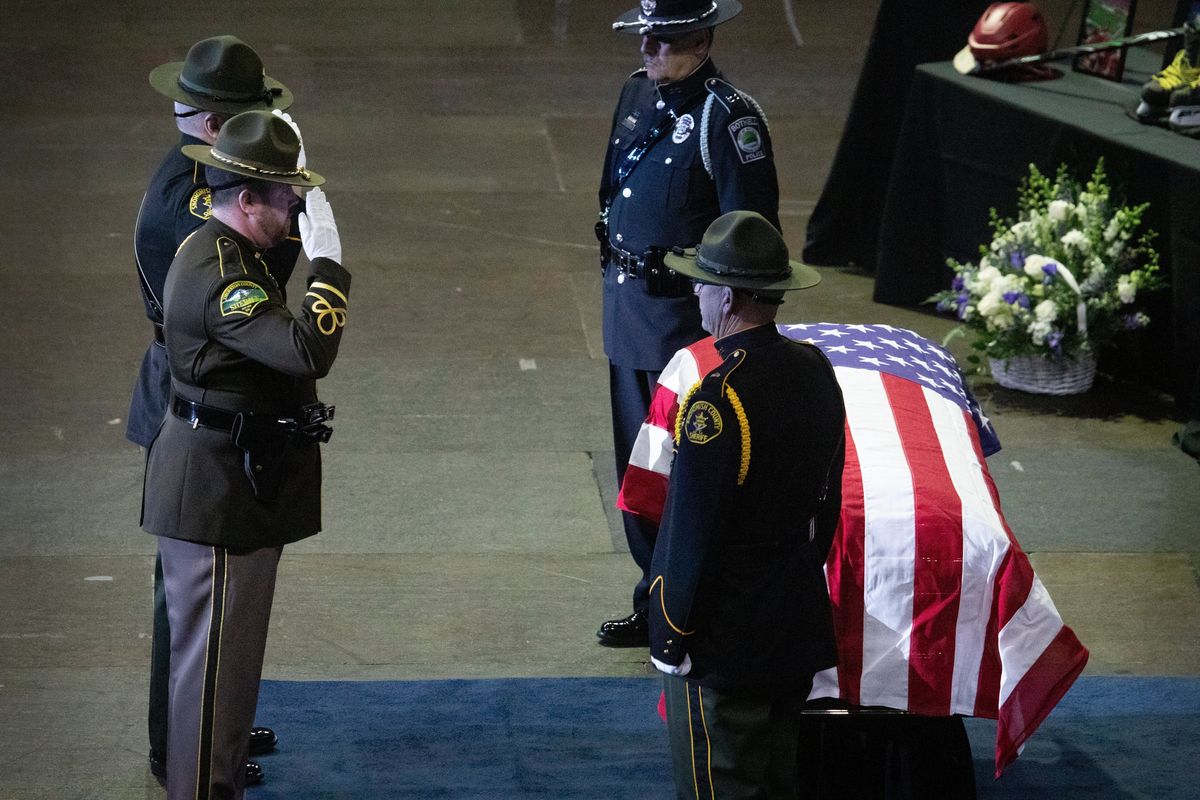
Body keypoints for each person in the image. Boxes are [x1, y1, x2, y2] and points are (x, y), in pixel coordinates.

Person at [141, 109, 348, 800]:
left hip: (234, 484)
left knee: (226, 677)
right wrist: (331, 270)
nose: (296, 205)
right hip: (217, 495)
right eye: (286, 195)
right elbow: (303, 348)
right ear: (247, 198)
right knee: (211, 684)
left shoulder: (231, 251)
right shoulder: (223, 276)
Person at [131, 35, 301, 786]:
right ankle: (184, 748)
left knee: (200, 598)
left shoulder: (199, 173)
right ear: (209, 122)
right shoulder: (190, 205)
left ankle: (212, 724)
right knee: (189, 597)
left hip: (203, 383)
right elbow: (262, 276)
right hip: (192, 393)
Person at [596, 0, 781, 648]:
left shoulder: (729, 119)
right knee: (639, 473)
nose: (647, 53)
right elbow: (612, 197)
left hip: (685, 332)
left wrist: (731, 335)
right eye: (644, 40)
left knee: (690, 480)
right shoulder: (635, 96)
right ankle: (656, 597)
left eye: (662, 42)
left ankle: (688, 609)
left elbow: (752, 238)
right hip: (629, 317)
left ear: (700, 42)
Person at [646, 211, 845, 798]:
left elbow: (692, 531)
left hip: (724, 643)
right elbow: (825, 502)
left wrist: (671, 630)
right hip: (792, 619)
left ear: (728, 298)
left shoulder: (716, 398)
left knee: (721, 783)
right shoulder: (815, 369)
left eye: (703, 283)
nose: (696, 294)